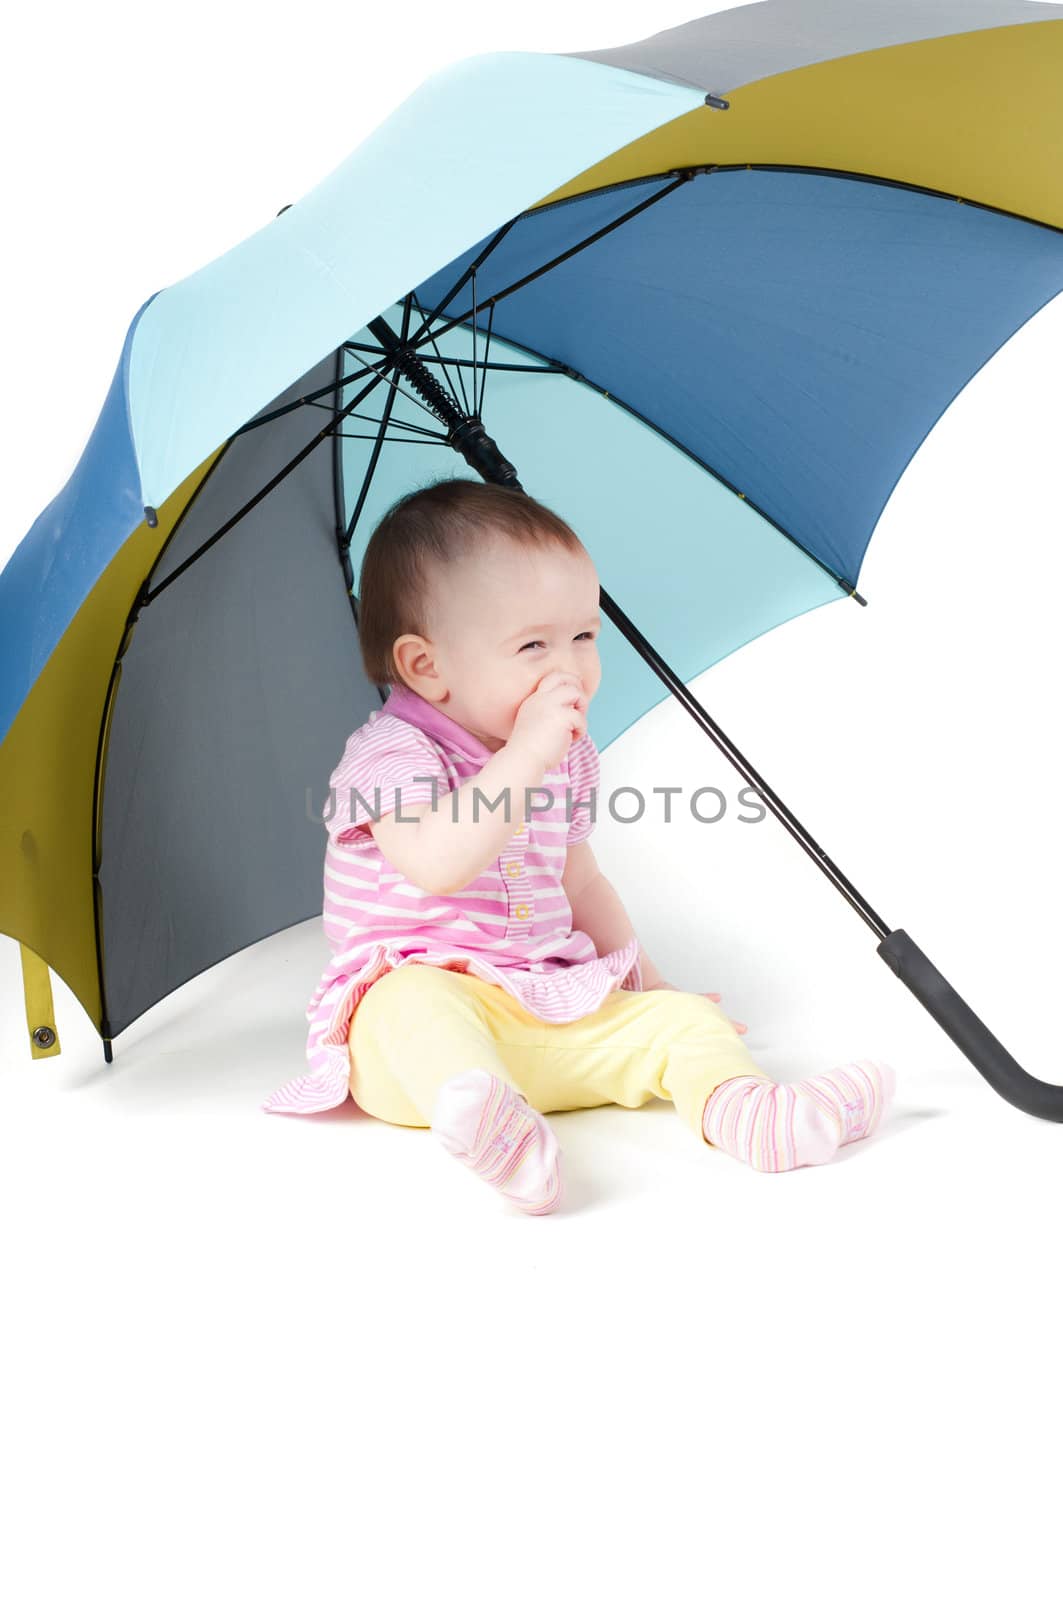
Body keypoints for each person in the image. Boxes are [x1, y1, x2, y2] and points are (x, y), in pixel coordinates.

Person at [262, 478, 895, 1212]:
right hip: (411, 1037)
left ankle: (751, 1115)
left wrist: (651, 984)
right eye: (532, 645)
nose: (570, 667)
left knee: (683, 1019)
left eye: (583, 636)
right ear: (425, 667)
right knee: (411, 1007)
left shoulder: (561, 754)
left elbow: (580, 881)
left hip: (544, 1009)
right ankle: (492, 1126)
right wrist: (524, 755)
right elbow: (437, 862)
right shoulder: (389, 758)